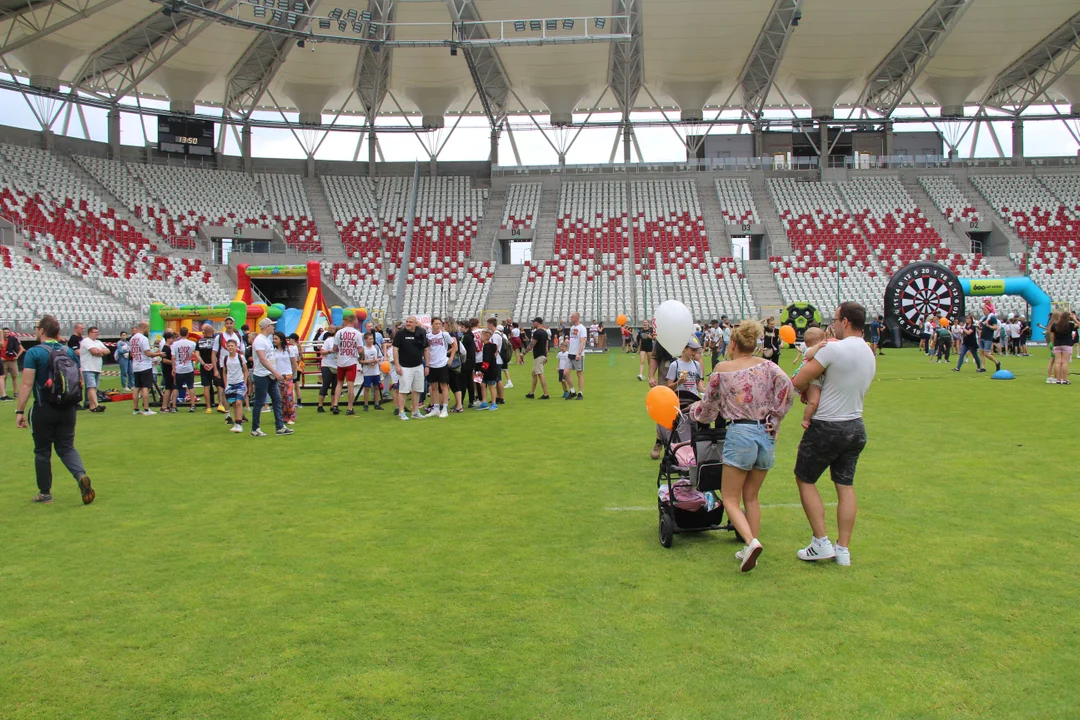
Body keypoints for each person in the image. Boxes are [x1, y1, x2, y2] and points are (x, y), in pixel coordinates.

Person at [688, 320, 794, 572]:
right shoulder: (769, 366)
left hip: (741, 432)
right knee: (752, 496)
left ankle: (750, 541)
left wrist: (695, 413)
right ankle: (750, 544)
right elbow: (788, 389)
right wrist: (775, 417)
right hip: (765, 435)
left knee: (731, 497)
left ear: (733, 343)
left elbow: (708, 409)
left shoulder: (723, 369)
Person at [791, 301, 876, 567]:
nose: (833, 324)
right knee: (845, 485)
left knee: (804, 478)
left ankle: (821, 541)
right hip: (855, 424)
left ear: (846, 321)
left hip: (828, 424)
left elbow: (799, 379)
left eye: (836, 319)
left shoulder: (834, 349)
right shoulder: (870, 352)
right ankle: (843, 549)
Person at [14, 314, 95, 505]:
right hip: (67, 408)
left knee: (42, 451)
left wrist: (19, 411)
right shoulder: (68, 352)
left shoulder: (34, 353)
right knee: (66, 447)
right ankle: (80, 475)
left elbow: (26, 384)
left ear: (42, 330)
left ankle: (45, 493)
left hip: (44, 408)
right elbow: (79, 380)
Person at [250, 318, 292, 437]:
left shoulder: (266, 340)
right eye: (272, 325)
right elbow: (262, 359)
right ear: (266, 327)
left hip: (269, 375)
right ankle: (255, 428)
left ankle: (280, 426)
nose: (273, 327)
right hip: (262, 375)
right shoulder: (259, 341)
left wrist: (274, 372)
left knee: (277, 400)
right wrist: (275, 372)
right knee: (259, 402)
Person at [393, 315, 431, 421]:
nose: (408, 323)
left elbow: (426, 349)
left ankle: (415, 411)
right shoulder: (400, 334)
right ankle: (401, 412)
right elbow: (395, 349)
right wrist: (397, 365)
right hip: (405, 366)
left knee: (417, 390)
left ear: (415, 323)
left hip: (418, 365)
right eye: (407, 321)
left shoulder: (421, 332)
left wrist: (427, 365)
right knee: (403, 390)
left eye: (410, 322)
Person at [792, 327, 826, 429]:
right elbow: (809, 355)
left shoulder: (816, 349)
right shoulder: (809, 350)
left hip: (812, 380)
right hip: (810, 380)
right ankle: (806, 419)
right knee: (813, 402)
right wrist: (818, 346)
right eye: (822, 340)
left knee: (814, 400)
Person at [212, 316, 246, 416]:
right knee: (225, 389)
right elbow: (214, 353)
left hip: (237, 366)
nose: (229, 325)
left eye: (231, 323)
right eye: (227, 323)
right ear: (224, 325)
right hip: (224, 366)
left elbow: (242, 351)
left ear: (233, 324)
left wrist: (242, 363)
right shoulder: (220, 337)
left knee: (240, 389)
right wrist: (215, 369)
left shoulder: (238, 336)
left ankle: (239, 413)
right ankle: (228, 414)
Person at [424, 317, 456, 418]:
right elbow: (427, 350)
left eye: (439, 324)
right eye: (436, 323)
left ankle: (445, 408)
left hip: (442, 363)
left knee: (444, 386)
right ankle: (436, 408)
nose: (438, 325)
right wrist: (427, 364)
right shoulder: (428, 336)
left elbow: (454, 345)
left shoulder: (444, 334)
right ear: (432, 324)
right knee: (433, 387)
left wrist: (450, 358)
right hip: (432, 364)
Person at [332, 315, 362, 415]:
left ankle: (335, 404)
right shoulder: (357, 333)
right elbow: (360, 349)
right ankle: (349, 408)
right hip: (351, 361)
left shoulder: (339, 332)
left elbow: (335, 348)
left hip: (341, 361)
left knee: (339, 383)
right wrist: (361, 357)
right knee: (350, 385)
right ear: (354, 321)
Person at [129, 321, 160, 415]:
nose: (148, 330)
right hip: (144, 365)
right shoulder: (143, 339)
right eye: (147, 328)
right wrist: (158, 354)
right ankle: (146, 409)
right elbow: (147, 353)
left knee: (137, 387)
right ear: (143, 327)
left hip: (136, 365)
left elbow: (131, 353)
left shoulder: (132, 339)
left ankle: (135, 409)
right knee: (145, 387)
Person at [78, 326, 110, 413]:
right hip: (88, 367)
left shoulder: (98, 342)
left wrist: (100, 351)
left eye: (97, 332)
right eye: (95, 332)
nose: (97, 333)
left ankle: (92, 407)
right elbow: (95, 352)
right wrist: (101, 351)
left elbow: (107, 351)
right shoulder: (86, 341)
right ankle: (96, 405)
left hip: (97, 367)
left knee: (94, 388)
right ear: (90, 333)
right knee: (91, 386)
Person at [222, 339, 248, 432]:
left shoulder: (240, 357)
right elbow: (224, 372)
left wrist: (244, 383)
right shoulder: (225, 358)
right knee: (233, 404)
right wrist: (226, 384)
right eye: (228, 346)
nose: (230, 348)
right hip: (230, 384)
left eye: (232, 345)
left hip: (240, 383)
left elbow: (245, 370)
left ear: (236, 346)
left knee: (238, 402)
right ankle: (236, 423)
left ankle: (239, 424)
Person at [272, 331, 298, 425]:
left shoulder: (289, 350)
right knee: (281, 398)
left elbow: (294, 363)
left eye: (276, 339)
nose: (274, 340)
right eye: (273, 339)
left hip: (287, 375)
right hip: (278, 376)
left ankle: (292, 416)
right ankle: (284, 416)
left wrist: (293, 374)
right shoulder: (273, 352)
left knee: (289, 396)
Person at [171, 326, 198, 413]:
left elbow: (173, 357)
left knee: (176, 388)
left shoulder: (175, 344)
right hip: (188, 368)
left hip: (179, 368)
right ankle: (192, 405)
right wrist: (195, 363)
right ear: (187, 334)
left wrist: (173, 368)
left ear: (180, 333)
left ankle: (174, 406)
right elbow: (197, 353)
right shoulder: (192, 343)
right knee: (190, 387)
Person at [524, 317, 551, 400]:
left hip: (538, 355)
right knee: (534, 373)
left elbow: (532, 344)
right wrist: (546, 356)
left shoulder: (537, 332)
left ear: (538, 323)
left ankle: (546, 394)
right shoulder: (545, 332)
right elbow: (546, 345)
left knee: (540, 374)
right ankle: (531, 393)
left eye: (534, 322)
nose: (533, 323)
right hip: (542, 355)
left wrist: (524, 353)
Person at [358, 331, 383, 411]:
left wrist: (377, 360)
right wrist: (368, 361)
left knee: (376, 387)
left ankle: (377, 403)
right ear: (365, 340)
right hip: (367, 371)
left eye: (372, 339)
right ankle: (366, 405)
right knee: (367, 388)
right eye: (369, 339)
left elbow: (380, 357)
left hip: (375, 371)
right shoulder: (363, 349)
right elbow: (360, 361)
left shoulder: (376, 347)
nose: (371, 340)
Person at [196, 324, 217, 413]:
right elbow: (217, 354)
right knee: (219, 386)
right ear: (212, 332)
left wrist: (204, 364)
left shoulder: (200, 341)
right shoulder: (215, 341)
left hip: (204, 366)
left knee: (206, 386)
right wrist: (213, 364)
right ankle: (220, 404)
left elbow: (197, 354)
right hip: (214, 365)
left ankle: (208, 407)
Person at [566, 312, 587, 399]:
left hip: (578, 354)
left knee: (579, 374)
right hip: (570, 353)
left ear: (577, 318)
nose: (571, 318)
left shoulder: (582, 328)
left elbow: (582, 341)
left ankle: (580, 393)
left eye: (572, 317)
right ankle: (572, 391)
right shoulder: (572, 328)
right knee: (566, 373)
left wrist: (579, 353)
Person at [317, 324, 337, 413]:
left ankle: (333, 405)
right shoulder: (329, 340)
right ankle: (320, 405)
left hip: (337, 366)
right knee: (325, 385)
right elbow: (322, 352)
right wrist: (330, 351)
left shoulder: (342, 342)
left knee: (335, 387)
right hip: (327, 365)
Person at [477, 328, 500, 410]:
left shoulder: (487, 347)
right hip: (488, 369)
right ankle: (484, 402)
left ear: (486, 337)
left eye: (481, 336)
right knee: (482, 384)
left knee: (491, 386)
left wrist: (481, 370)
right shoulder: (488, 346)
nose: (480, 337)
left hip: (491, 370)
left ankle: (494, 403)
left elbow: (487, 360)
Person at [1051, 312, 1076, 385]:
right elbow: (1078, 324)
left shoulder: (1055, 325)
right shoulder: (1070, 324)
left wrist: (1053, 344)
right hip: (1067, 344)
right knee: (1065, 362)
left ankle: (1057, 379)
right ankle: (1064, 379)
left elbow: (1052, 336)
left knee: (1057, 362)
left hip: (1057, 344)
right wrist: (1074, 318)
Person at [978, 302, 1002, 372]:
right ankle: (983, 367)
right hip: (982, 336)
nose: (983, 311)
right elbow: (982, 327)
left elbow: (995, 327)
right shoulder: (984, 318)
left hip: (988, 337)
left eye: (985, 310)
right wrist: (978, 327)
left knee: (986, 353)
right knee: (981, 352)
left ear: (988, 310)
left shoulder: (992, 318)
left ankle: (997, 362)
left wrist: (988, 325)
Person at [2, 327, 24, 400]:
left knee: (14, 377)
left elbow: (22, 348)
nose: (6, 334)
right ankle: (3, 393)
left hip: (12, 361)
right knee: (3, 378)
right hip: (3, 361)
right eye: (4, 332)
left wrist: (17, 356)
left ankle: (15, 392)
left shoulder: (13, 339)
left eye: (7, 332)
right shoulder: (1, 340)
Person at [158, 331, 176, 413]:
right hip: (167, 371)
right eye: (172, 338)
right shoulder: (166, 348)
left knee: (171, 388)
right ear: (168, 339)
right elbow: (164, 360)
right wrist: (173, 362)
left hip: (168, 370)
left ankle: (168, 405)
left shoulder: (168, 348)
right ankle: (164, 406)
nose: (173, 340)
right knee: (168, 388)